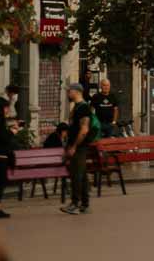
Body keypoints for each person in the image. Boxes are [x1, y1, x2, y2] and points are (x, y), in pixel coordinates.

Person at [61, 82, 92, 215]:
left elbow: (84, 130)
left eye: (69, 91)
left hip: (79, 147)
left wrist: (74, 146)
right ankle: (84, 203)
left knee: (76, 175)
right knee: (82, 175)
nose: (68, 93)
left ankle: (75, 203)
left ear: (76, 92)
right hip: (75, 146)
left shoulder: (83, 108)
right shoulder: (77, 107)